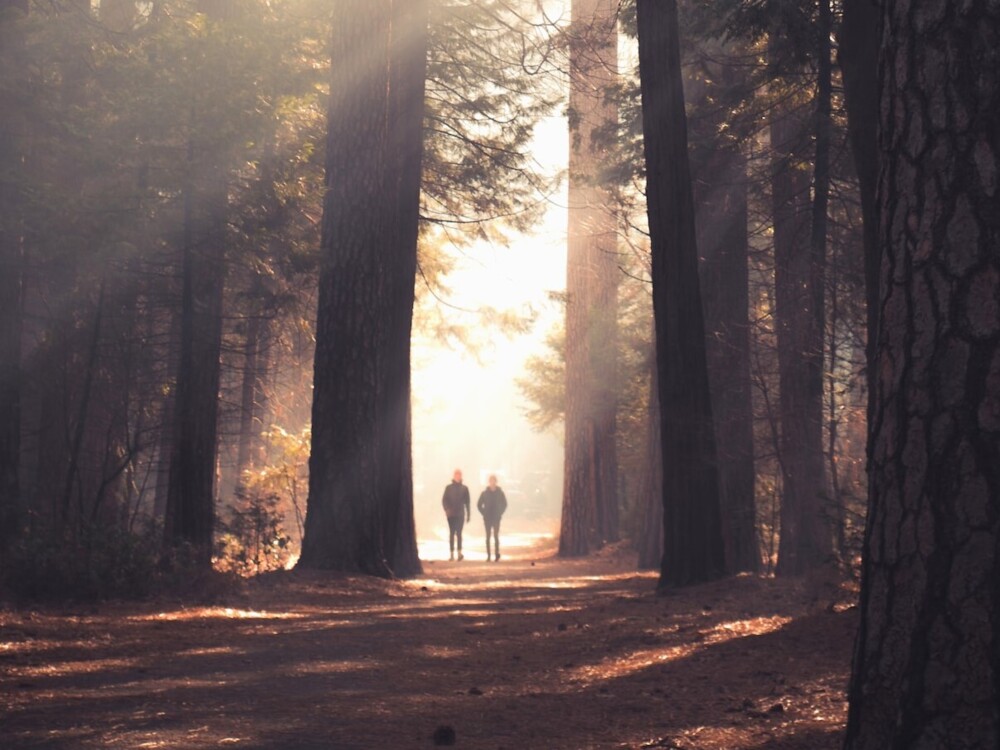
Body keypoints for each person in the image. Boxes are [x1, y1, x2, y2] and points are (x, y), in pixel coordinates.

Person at [477, 474, 508, 562]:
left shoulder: (500, 493)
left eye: (494, 481)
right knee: (487, 537)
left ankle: (496, 554)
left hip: (496, 517)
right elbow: (479, 505)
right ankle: (488, 555)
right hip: (487, 518)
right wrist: (484, 513)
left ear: (496, 482)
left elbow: (505, 504)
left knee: (496, 536)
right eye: (491, 481)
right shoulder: (484, 493)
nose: (492, 482)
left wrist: (500, 512)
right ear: (489, 482)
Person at [441, 468, 470, 561]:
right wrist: (447, 509)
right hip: (451, 514)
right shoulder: (448, 488)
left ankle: (459, 552)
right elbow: (444, 500)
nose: (458, 476)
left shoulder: (465, 489)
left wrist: (468, 514)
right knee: (452, 533)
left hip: (460, 514)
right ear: (454, 476)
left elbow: (467, 502)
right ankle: (451, 553)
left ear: (461, 476)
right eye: (456, 475)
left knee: (459, 533)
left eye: (459, 475)